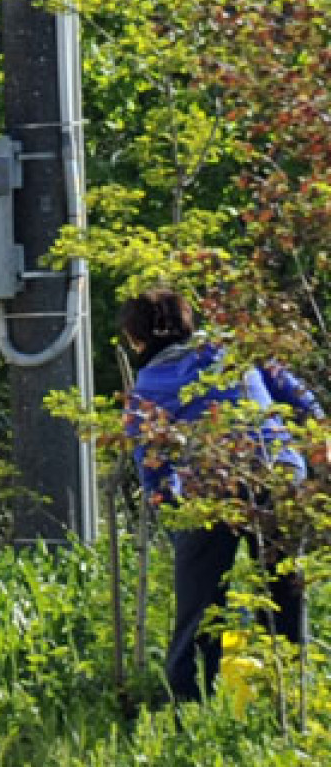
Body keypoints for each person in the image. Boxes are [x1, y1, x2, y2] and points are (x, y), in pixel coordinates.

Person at [120, 286, 317, 701]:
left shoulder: (147, 388)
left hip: (208, 487)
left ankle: (188, 710)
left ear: (136, 339)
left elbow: (152, 473)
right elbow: (298, 396)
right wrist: (317, 436)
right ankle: (293, 699)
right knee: (283, 593)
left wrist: (179, 531)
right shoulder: (234, 350)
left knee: (200, 608)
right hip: (279, 472)